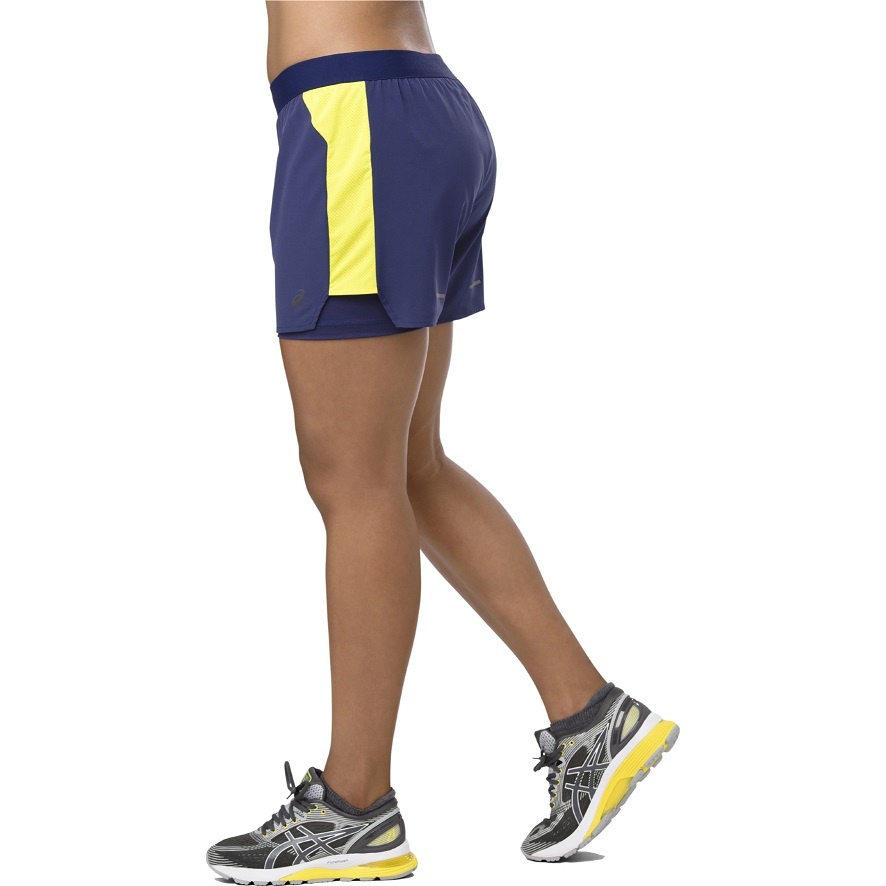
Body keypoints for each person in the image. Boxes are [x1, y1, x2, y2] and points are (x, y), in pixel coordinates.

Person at [207, 3, 678, 882]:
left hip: (355, 120)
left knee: (353, 480)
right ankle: (590, 716)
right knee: (410, 469)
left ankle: (355, 806)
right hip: (414, 104)